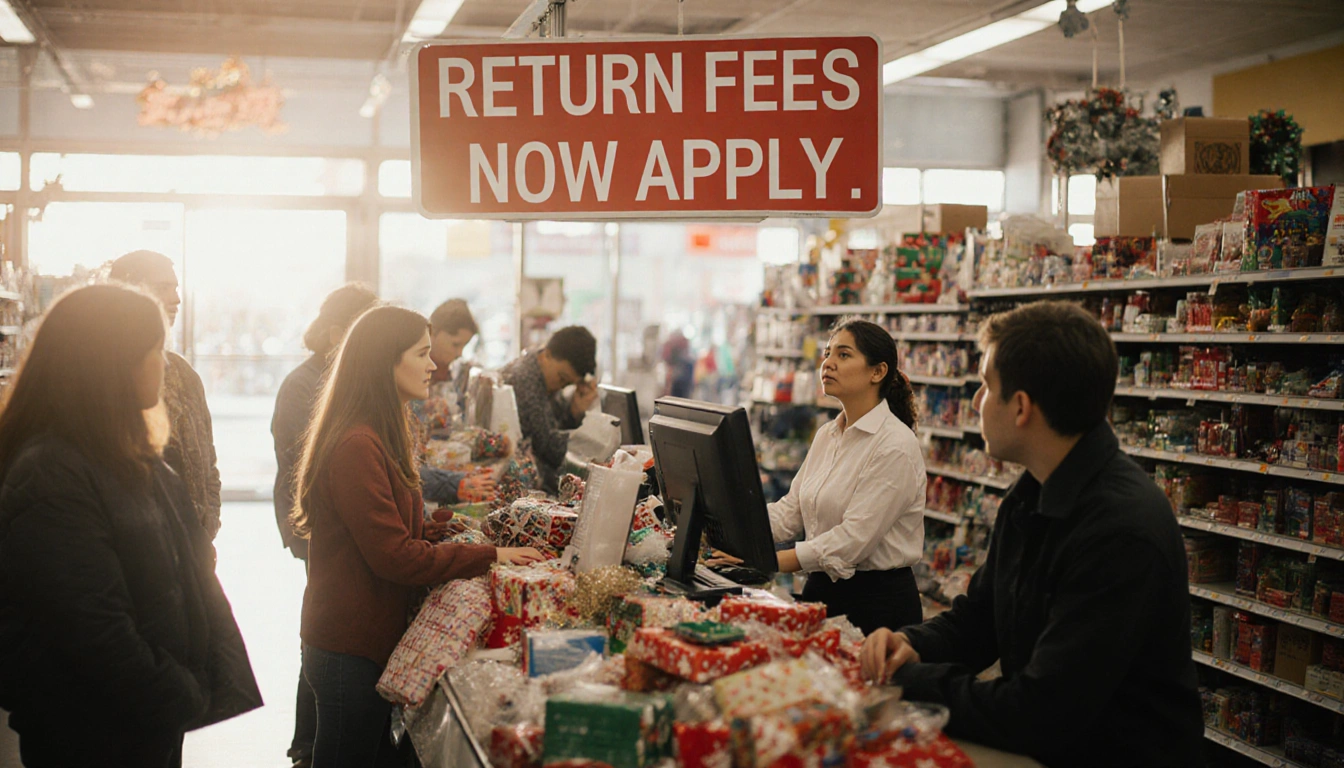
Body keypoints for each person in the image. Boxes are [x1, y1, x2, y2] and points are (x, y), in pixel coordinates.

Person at [859, 301, 1203, 766]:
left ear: (1021, 407)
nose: (977, 402)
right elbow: (981, 617)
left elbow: (1040, 712)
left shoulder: (1120, 530)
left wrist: (911, 683)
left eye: (985, 385)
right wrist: (912, 644)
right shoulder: (1033, 490)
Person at [0, 284, 261, 767]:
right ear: (112, 362)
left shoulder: (133, 456)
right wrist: (181, 691)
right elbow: (91, 629)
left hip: (142, 721)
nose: (166, 364)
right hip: (89, 731)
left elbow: (188, 572)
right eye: (155, 350)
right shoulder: (52, 472)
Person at [291, 305, 543, 767]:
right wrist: (491, 554)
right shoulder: (356, 446)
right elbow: (395, 556)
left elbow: (393, 532)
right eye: (422, 353)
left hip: (363, 638)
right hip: (349, 645)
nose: (433, 365)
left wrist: (453, 530)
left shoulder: (378, 434)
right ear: (385, 360)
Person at [271, 282, 379, 768]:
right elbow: (309, 467)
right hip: (311, 523)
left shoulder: (345, 379)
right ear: (338, 331)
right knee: (326, 632)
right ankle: (307, 745)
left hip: (325, 520)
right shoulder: (304, 385)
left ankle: (310, 742)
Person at [761, 318, 926, 635]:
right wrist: (733, 525)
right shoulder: (828, 434)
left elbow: (851, 541)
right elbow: (791, 511)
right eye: (827, 353)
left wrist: (766, 561)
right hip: (821, 593)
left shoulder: (895, 446)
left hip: (876, 608)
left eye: (843, 355)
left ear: (877, 372)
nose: (828, 363)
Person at [109, 250, 223, 540]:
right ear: (128, 291)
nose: (176, 299)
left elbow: (208, 461)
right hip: (143, 546)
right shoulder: (102, 376)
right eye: (162, 287)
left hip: (193, 545)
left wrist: (208, 525)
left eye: (175, 288)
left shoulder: (184, 373)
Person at [412, 298, 495, 506]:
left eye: (464, 347)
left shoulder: (451, 377)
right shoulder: (411, 378)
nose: (459, 353)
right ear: (433, 332)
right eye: (455, 344)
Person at [499, 325, 599, 493]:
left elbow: (554, 427)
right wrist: (591, 441)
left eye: (568, 384)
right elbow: (549, 448)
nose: (561, 386)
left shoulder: (541, 371)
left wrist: (575, 411)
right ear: (546, 354)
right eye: (562, 378)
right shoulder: (525, 381)